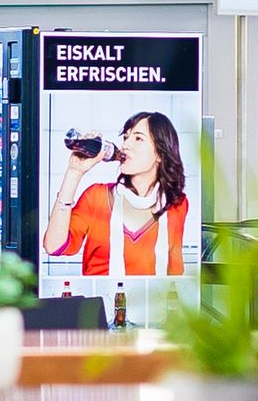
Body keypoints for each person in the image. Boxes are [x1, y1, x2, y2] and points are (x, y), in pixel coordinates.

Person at [44, 108, 193, 277]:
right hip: (100, 302)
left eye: (138, 138)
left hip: (154, 301)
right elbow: (54, 246)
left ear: (160, 154)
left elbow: (175, 271)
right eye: (126, 137)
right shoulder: (97, 197)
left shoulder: (177, 205)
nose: (125, 145)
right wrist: (74, 172)